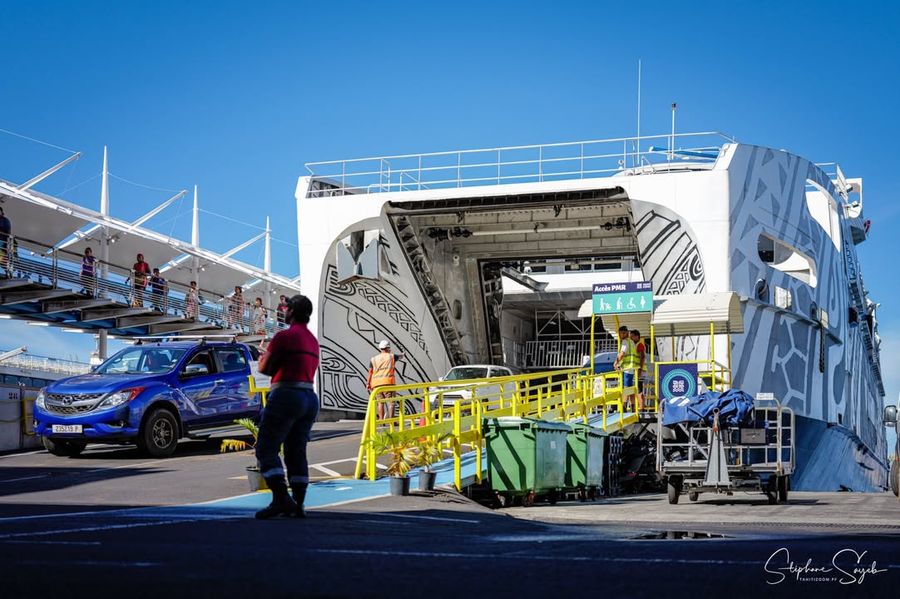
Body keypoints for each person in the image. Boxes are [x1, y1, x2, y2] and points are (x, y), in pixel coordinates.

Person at [254, 294, 320, 519]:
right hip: (309, 396)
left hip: (286, 394)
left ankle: (281, 498)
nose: (283, 310)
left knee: (266, 447)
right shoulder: (313, 341)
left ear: (291, 311)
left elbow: (263, 368)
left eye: (286, 307)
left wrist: (265, 357)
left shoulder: (284, 337)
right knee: (296, 451)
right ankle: (298, 503)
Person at [366, 339, 405, 420]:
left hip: (376, 385)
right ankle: (392, 421)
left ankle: (381, 421)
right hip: (388, 383)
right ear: (388, 348)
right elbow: (401, 356)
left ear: (380, 348)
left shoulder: (373, 359)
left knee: (380, 403)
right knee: (391, 402)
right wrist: (404, 353)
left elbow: (370, 372)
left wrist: (368, 383)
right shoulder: (391, 356)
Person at [612, 325, 639, 411]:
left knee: (626, 387)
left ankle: (623, 407)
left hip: (627, 368)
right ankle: (633, 407)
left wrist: (615, 363)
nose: (621, 335)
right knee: (630, 388)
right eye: (620, 334)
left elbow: (622, 353)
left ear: (625, 333)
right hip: (632, 368)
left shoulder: (625, 342)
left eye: (622, 333)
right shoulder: (631, 342)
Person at [630, 329, 646, 411]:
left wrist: (640, 368)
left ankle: (641, 407)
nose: (630, 337)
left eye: (632, 336)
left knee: (639, 389)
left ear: (637, 336)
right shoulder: (634, 345)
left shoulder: (639, 345)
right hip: (636, 370)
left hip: (639, 370)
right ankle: (637, 407)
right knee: (635, 388)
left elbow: (642, 356)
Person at [0, 207, 10, 278]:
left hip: (1, 240)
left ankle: (7, 270)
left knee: (2, 255)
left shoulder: (4, 220)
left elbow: (6, 230)